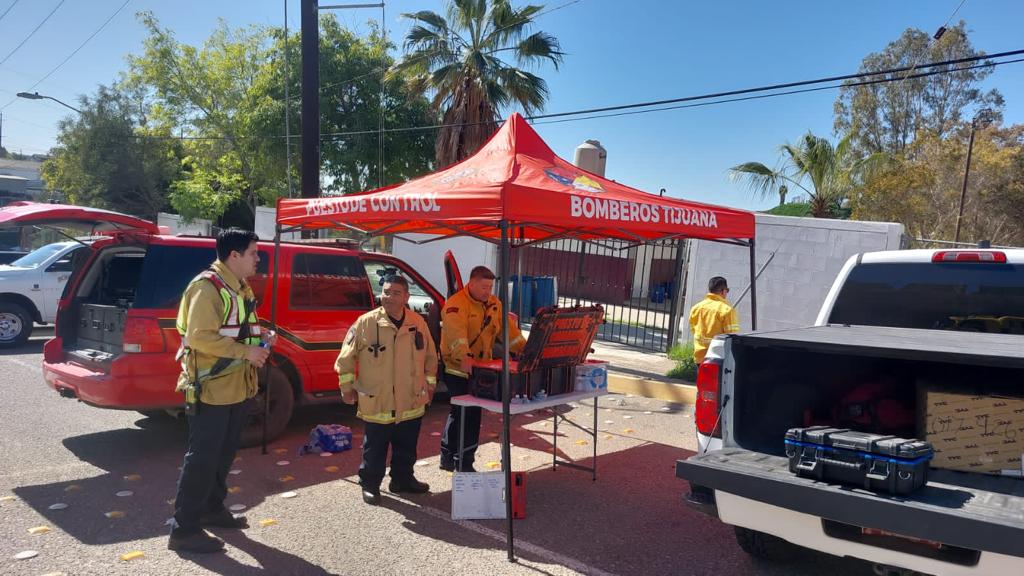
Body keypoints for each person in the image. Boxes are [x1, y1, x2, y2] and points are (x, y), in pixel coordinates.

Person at [169, 228, 273, 554]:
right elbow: (200, 337)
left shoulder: (237, 287)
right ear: (234, 255)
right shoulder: (207, 288)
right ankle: (184, 529)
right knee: (202, 459)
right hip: (211, 390)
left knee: (223, 455)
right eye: (254, 253)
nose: (259, 258)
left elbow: (239, 331)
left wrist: (262, 338)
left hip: (237, 388)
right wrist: (247, 353)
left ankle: (213, 509)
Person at [335, 275, 439, 505]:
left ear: (407, 297)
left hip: (411, 399)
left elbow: (431, 356)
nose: (389, 297)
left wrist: (430, 386)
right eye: (386, 292)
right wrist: (346, 388)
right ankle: (370, 484)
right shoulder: (365, 323)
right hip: (378, 399)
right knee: (375, 448)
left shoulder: (417, 323)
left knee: (406, 445)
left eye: (396, 293)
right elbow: (346, 358)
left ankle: (402, 480)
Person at [439, 266, 526, 472]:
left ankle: (449, 457)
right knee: (467, 415)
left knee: (461, 413)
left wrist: (525, 350)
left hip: (480, 368)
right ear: (471, 283)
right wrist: (465, 357)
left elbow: (510, 334)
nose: (488, 291)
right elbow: (456, 335)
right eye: (484, 287)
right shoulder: (456, 305)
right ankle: (463, 462)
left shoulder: (494, 304)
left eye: (490, 287)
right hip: (457, 369)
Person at [689, 276, 740, 364]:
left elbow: (693, 330)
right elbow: (732, 337)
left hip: (699, 357)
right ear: (723, 291)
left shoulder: (696, 308)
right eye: (727, 291)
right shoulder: (726, 310)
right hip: (718, 359)